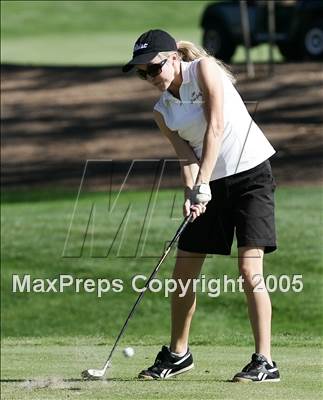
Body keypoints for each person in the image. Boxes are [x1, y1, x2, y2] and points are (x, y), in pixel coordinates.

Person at [122, 29, 280, 383]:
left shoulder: (204, 69)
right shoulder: (162, 111)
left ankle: (265, 361)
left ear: (174, 58)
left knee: (249, 270)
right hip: (209, 184)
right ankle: (178, 354)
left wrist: (203, 182)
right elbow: (187, 158)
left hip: (251, 174)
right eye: (142, 72)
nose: (149, 77)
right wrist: (192, 193)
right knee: (183, 274)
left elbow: (216, 127)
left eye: (153, 68)